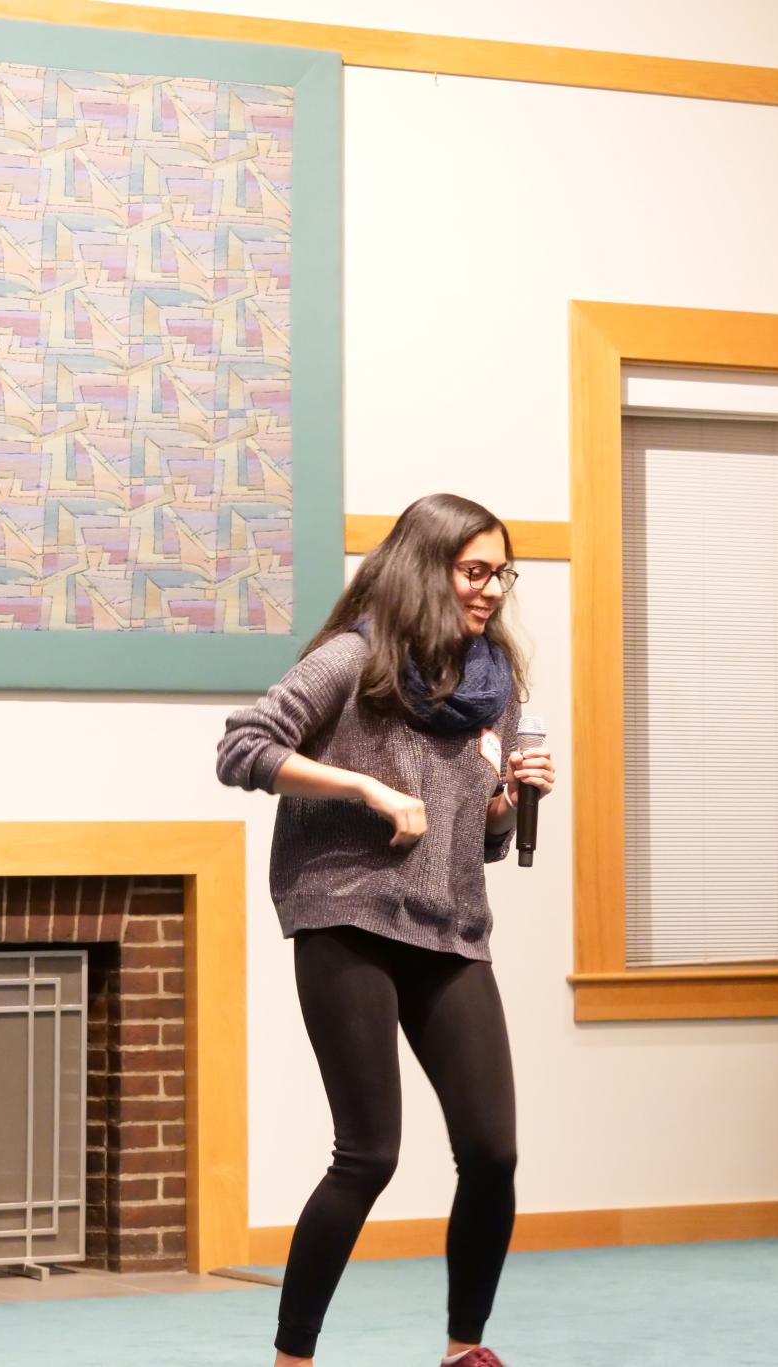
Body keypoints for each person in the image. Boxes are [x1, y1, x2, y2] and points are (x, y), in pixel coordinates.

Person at [216, 492, 555, 1367]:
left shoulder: (494, 686)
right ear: (425, 566)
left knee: (492, 1150)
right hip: (348, 916)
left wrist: (504, 797)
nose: (490, 590)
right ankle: (293, 1358)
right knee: (368, 1154)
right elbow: (241, 748)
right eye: (475, 570)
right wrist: (362, 787)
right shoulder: (353, 658)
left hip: (448, 923)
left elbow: (482, 836)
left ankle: (462, 1350)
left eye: (500, 573)